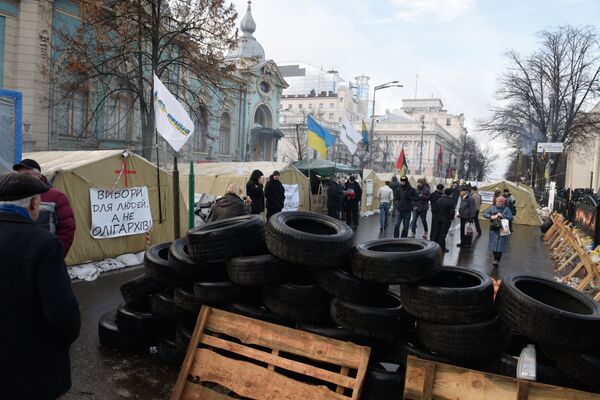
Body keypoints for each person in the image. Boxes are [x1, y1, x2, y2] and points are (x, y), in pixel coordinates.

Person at [0, 173, 81, 399]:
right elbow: (62, 312)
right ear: (35, 203)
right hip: (30, 365)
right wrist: (68, 336)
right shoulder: (44, 244)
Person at [13, 158, 76, 256]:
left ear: (38, 176)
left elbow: (67, 229)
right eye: (19, 175)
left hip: (44, 254)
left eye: (26, 175)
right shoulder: (11, 195)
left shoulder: (56, 196)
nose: (21, 178)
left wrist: (57, 254)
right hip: (17, 256)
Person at [483, 196, 513, 266]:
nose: (497, 203)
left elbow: (511, 217)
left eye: (499, 201)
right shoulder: (492, 207)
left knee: (501, 244)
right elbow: (485, 214)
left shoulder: (506, 209)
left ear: (503, 202)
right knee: (493, 243)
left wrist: (503, 215)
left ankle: (497, 260)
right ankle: (495, 259)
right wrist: (491, 216)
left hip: (504, 227)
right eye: (496, 201)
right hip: (494, 227)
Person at [431, 188, 456, 253]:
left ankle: (434, 246)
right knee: (443, 234)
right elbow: (452, 212)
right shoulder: (451, 201)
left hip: (437, 218)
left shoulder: (439, 199)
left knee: (436, 232)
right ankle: (440, 248)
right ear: (451, 194)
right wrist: (451, 218)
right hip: (446, 220)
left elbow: (435, 209)